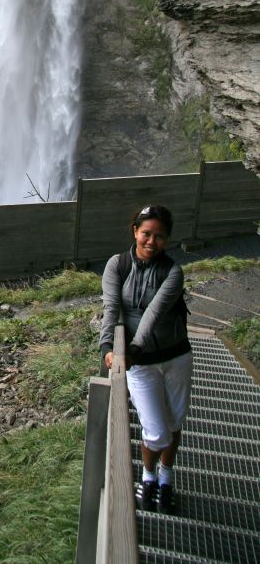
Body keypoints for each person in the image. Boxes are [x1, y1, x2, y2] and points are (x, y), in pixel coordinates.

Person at [99, 205, 192, 514]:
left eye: (160, 236)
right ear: (134, 231)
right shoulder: (117, 265)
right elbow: (111, 307)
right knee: (156, 431)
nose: (152, 241)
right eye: (146, 234)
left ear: (168, 239)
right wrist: (107, 347)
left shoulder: (173, 272)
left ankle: (166, 479)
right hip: (141, 363)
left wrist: (133, 348)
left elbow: (153, 314)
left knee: (174, 423)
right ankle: (148, 477)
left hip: (176, 356)